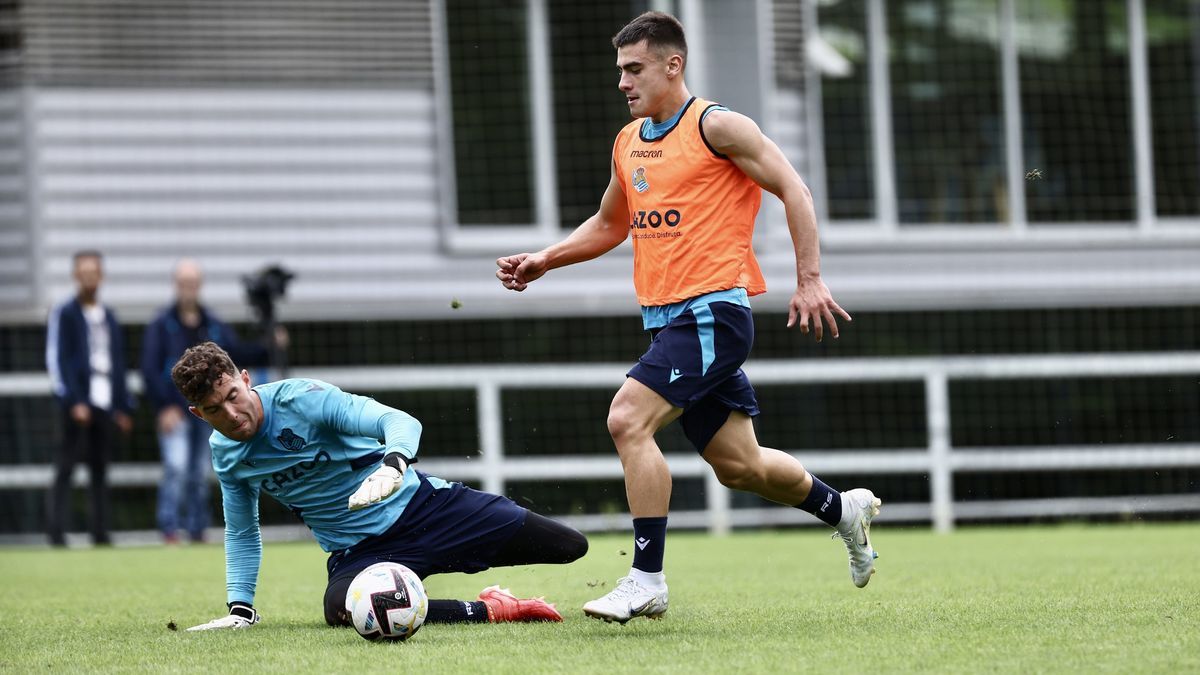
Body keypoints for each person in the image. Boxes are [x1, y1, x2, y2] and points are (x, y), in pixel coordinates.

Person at [495, 11, 880, 624]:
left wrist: (808, 279)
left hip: (713, 314)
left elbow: (795, 189)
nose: (622, 82)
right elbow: (609, 224)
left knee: (627, 418)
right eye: (620, 70)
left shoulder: (716, 126)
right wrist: (547, 258)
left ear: (673, 66)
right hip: (669, 321)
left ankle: (646, 578)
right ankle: (843, 510)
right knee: (739, 466)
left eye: (634, 69)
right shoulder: (629, 142)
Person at [171, 342, 587, 631]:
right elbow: (243, 531)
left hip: (427, 509)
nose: (232, 414)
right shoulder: (226, 454)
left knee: (570, 546)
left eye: (233, 395)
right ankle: (494, 609)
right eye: (214, 410)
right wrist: (240, 608)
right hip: (361, 553)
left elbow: (400, 422)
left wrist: (393, 463)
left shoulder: (304, 400)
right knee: (342, 608)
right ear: (197, 413)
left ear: (244, 379)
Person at [141, 259, 275, 544]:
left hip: (211, 411)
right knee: (176, 468)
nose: (188, 288)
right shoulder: (161, 325)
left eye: (192, 283)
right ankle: (169, 530)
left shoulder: (213, 324)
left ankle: (197, 529)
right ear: (176, 286)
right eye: (183, 283)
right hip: (175, 411)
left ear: (199, 286)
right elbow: (150, 370)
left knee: (201, 471)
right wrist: (164, 406)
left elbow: (235, 353)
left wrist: (270, 345)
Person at [45, 250, 134, 546]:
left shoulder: (108, 316)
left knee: (100, 469)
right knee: (65, 467)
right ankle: (56, 532)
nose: (89, 278)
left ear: (101, 276)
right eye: (83, 273)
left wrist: (123, 405)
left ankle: (100, 532)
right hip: (77, 405)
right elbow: (57, 359)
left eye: (93, 272)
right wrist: (73, 400)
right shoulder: (65, 313)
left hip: (105, 402)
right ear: (75, 276)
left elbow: (117, 362)